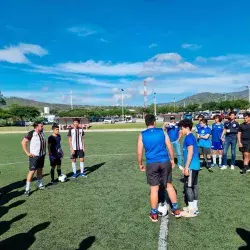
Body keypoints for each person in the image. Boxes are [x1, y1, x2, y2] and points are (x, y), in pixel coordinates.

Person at [137, 114, 181, 222]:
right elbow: (169, 146)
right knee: (169, 185)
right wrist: (171, 159)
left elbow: (139, 152)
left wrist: (140, 164)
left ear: (146, 123)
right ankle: (176, 210)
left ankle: (154, 214)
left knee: (154, 189)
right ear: (154, 122)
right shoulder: (162, 132)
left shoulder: (142, 135)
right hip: (165, 161)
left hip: (152, 163)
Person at [178, 119, 200, 217]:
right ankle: (194, 207)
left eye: (181, 129)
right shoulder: (190, 137)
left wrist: (186, 168)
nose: (180, 131)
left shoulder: (189, 138)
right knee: (194, 185)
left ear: (187, 128)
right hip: (195, 166)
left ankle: (192, 210)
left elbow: (190, 153)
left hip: (191, 166)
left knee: (188, 187)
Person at [21, 122, 46, 196]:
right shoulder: (31, 133)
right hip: (34, 156)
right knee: (32, 171)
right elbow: (23, 142)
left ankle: (39, 184)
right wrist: (27, 153)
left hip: (42, 155)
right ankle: (27, 189)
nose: (42, 127)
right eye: (41, 126)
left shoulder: (42, 133)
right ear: (36, 127)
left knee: (40, 169)